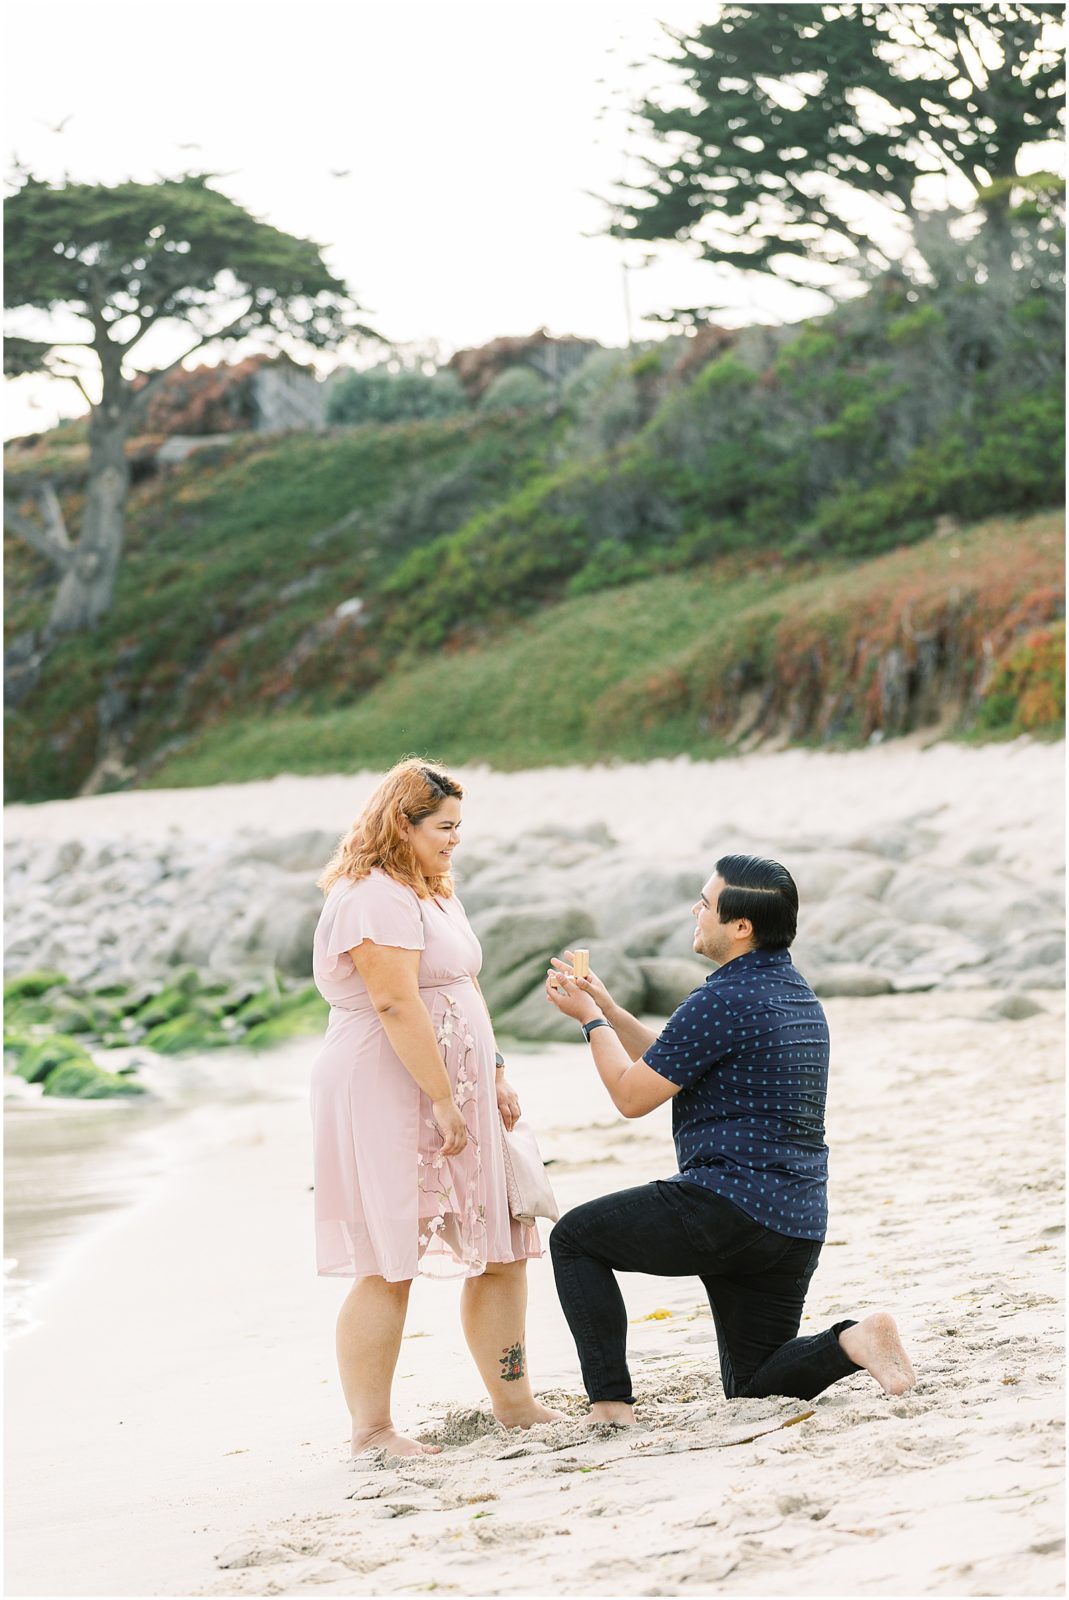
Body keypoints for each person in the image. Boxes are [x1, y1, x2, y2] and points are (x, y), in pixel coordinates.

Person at [544, 853, 915, 1426]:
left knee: (575, 1240)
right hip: (794, 1222)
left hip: (727, 1207)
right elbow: (673, 1061)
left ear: (741, 926)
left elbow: (631, 1096)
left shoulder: (720, 1000)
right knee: (754, 1385)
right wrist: (611, 1008)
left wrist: (590, 1022)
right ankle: (853, 1341)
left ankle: (611, 1406)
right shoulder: (793, 993)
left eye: (705, 903)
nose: (694, 911)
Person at [310, 758, 563, 1459]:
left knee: (502, 1243)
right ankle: (372, 1432)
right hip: (388, 1088)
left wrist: (496, 1071)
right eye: (444, 827)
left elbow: (463, 989)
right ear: (403, 824)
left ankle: (515, 1403)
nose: (455, 839)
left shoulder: (430, 889)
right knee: (387, 1260)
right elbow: (395, 1002)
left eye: (458, 826)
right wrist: (443, 1099)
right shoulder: (372, 896)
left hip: (459, 1088)